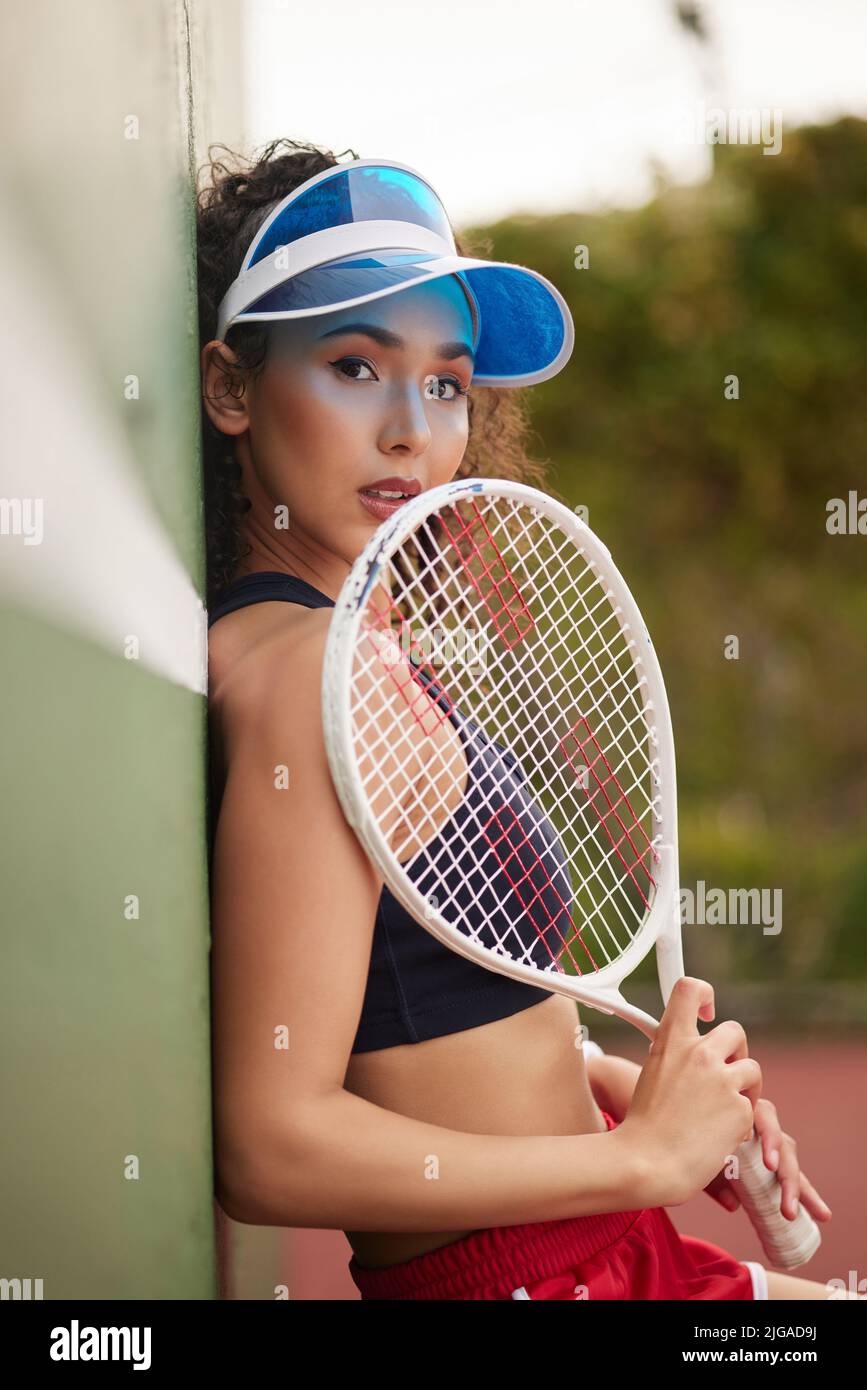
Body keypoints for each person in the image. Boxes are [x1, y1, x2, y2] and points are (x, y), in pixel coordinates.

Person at [197, 139, 839, 1300]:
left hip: (593, 1248)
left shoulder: (349, 641)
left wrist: (605, 1078)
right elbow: (268, 1143)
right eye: (353, 364)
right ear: (231, 388)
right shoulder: (307, 679)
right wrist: (643, 1159)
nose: (412, 428)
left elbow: (421, 1007)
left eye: (446, 383)